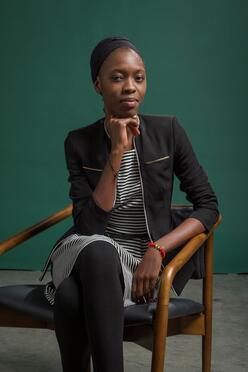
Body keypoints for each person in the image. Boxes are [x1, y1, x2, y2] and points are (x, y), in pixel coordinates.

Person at [41, 37, 219, 372]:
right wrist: (117, 153)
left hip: (137, 263)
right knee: (98, 249)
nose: (130, 87)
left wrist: (158, 250)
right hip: (85, 250)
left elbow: (208, 206)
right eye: (117, 77)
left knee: (68, 298)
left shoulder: (169, 131)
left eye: (138, 77)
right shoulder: (78, 142)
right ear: (98, 84)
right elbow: (90, 227)